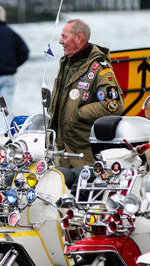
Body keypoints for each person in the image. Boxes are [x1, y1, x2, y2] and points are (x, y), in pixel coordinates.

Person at [49, 19, 124, 174]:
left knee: (82, 195)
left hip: (83, 155)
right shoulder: (66, 63)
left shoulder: (100, 68)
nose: (60, 41)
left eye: (64, 37)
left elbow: (114, 104)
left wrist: (79, 113)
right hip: (61, 152)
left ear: (79, 38)